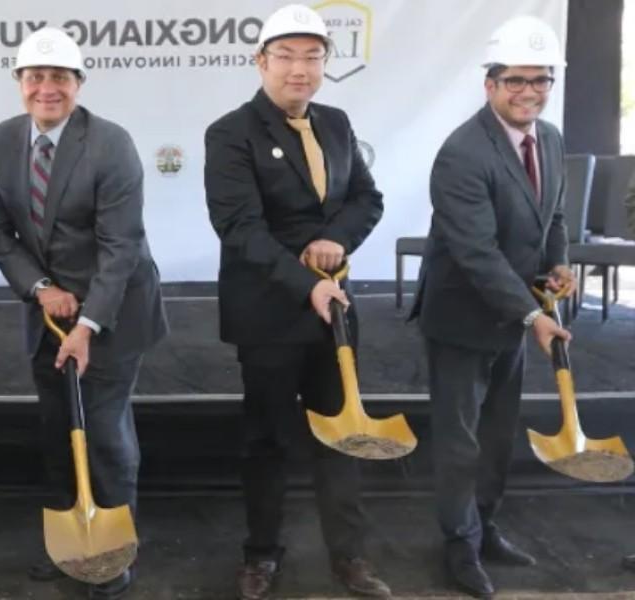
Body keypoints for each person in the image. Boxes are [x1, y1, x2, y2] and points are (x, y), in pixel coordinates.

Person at [202, 5, 391, 599]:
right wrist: (306, 281)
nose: (299, 69)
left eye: (312, 56)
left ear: (325, 65)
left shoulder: (335, 122)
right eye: (285, 56)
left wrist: (337, 241)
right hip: (268, 313)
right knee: (267, 439)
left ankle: (350, 558)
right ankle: (261, 555)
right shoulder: (230, 133)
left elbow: (367, 198)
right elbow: (240, 228)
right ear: (260, 62)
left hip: (332, 310)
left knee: (344, 434)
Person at [0, 26, 168, 600]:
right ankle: (71, 542)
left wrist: (87, 324)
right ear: (19, 83)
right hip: (48, 312)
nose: (46, 88)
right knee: (59, 427)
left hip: (113, 308)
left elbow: (121, 246)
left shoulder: (111, 143)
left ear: (79, 83)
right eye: (34, 76)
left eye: (59, 77)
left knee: (105, 431)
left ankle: (113, 550)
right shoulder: (4, 139)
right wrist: (41, 289)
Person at [411, 16, 573, 599]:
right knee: (461, 439)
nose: (529, 91)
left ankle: (487, 527)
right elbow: (476, 253)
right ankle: (458, 543)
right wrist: (533, 316)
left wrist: (556, 265)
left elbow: (551, 213)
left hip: (517, 315)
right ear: (490, 83)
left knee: (499, 434)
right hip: (463, 317)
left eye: (541, 79)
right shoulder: (461, 153)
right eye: (516, 80)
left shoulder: (550, 138)